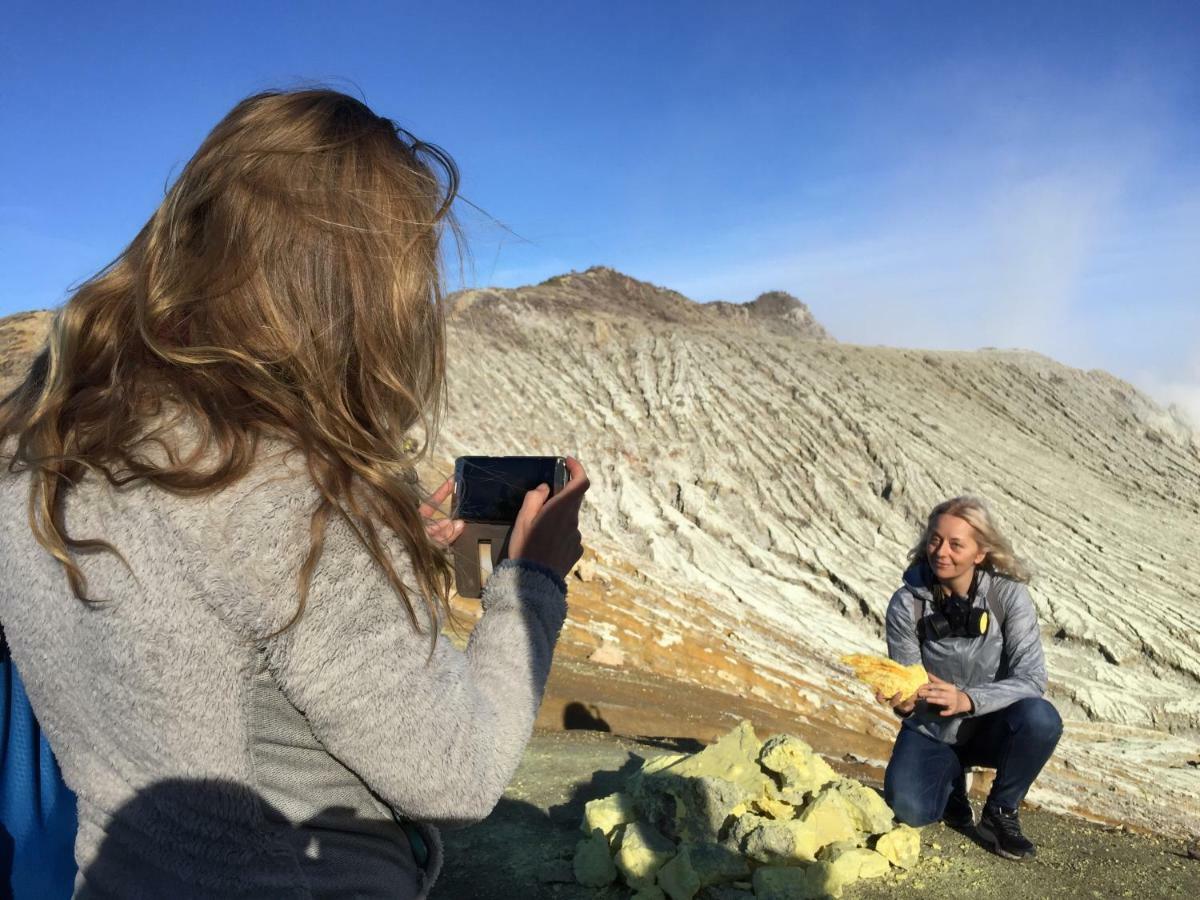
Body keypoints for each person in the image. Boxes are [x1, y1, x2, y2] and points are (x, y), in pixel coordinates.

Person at [0, 88, 588, 898]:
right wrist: (533, 583)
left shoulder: (39, 438)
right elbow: (458, 774)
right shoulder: (285, 492)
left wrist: (377, 554)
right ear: (351, 288)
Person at [880, 496, 1062, 861]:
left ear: (980, 553)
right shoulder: (906, 604)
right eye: (934, 540)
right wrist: (904, 702)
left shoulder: (1008, 596)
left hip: (993, 725)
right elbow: (910, 682)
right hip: (934, 728)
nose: (940, 551)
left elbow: (1032, 678)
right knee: (911, 810)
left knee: (1041, 719)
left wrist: (968, 700)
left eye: (955, 544)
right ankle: (951, 788)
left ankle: (1000, 813)